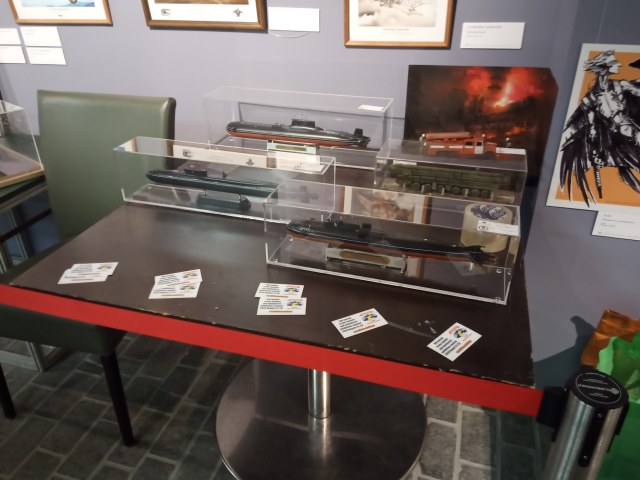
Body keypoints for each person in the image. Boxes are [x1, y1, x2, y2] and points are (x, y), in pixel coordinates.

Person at [559, 50, 640, 205]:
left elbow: (637, 91)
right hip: (611, 137)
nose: (619, 64)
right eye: (614, 62)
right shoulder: (591, 94)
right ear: (604, 67)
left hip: (628, 128)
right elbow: (591, 122)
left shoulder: (620, 85)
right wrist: (594, 141)